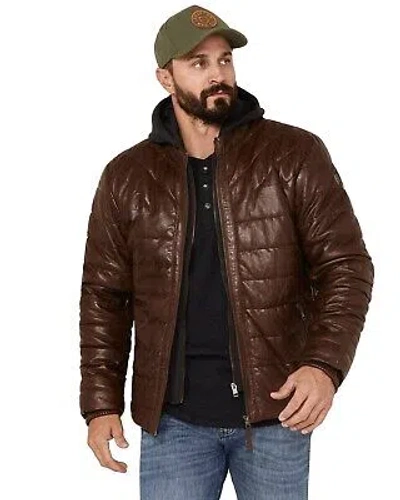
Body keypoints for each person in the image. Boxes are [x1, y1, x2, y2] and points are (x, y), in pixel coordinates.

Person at [79, 4, 374, 499]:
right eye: (199, 63)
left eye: (224, 59)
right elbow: (104, 296)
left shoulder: (293, 154)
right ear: (165, 78)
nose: (217, 74)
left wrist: (324, 366)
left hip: (277, 413)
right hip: (173, 423)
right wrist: (100, 403)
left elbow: (346, 266)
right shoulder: (128, 176)